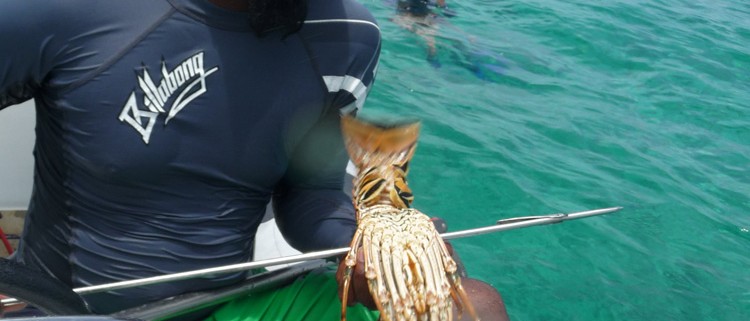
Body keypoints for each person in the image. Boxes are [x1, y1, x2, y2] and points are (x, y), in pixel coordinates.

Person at [0, 0, 509, 320]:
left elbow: (310, 195)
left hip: (228, 304)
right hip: (63, 304)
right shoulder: (63, 12)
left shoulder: (349, 33)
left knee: (473, 307)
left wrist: (362, 249)